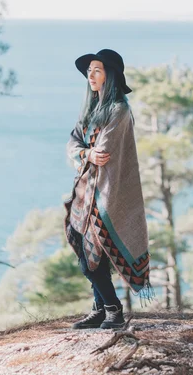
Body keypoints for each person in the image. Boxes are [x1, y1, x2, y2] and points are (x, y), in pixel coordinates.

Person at [64, 49, 153, 330]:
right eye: (89, 70)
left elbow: (104, 152)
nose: (91, 75)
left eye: (97, 70)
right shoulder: (90, 110)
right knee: (88, 252)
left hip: (106, 193)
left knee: (90, 261)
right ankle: (100, 309)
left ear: (110, 75)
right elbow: (71, 146)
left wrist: (85, 153)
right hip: (84, 192)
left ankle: (114, 310)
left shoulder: (119, 110)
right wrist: (85, 154)